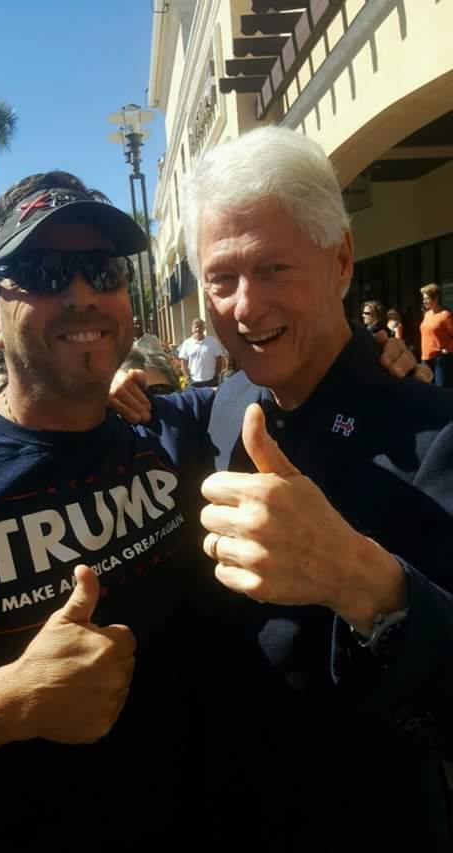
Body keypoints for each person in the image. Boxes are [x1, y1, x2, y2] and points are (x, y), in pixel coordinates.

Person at [178, 126, 453, 851]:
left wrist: (366, 585)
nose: (245, 306)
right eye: (221, 278)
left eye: (274, 267)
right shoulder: (224, 402)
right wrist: (117, 382)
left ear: (340, 260)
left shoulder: (434, 430)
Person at [0, 171, 214, 852]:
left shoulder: (168, 430)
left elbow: (294, 380)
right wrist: (5, 701)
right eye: (44, 273)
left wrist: (378, 361)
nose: (81, 294)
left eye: (102, 271)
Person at [420, 283, 453, 387]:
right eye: (423, 299)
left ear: (436, 299)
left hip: (440, 359)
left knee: (441, 389)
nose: (424, 301)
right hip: (425, 357)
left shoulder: (445, 315)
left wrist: (449, 348)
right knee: (427, 388)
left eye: (427, 298)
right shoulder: (427, 314)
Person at [179, 317, 223, 387]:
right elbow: (183, 361)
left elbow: (219, 359)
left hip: (211, 380)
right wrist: (188, 377)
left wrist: (217, 374)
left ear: (204, 328)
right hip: (193, 381)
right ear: (192, 329)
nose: (198, 329)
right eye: (195, 327)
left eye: (200, 327)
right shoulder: (187, 343)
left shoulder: (212, 341)